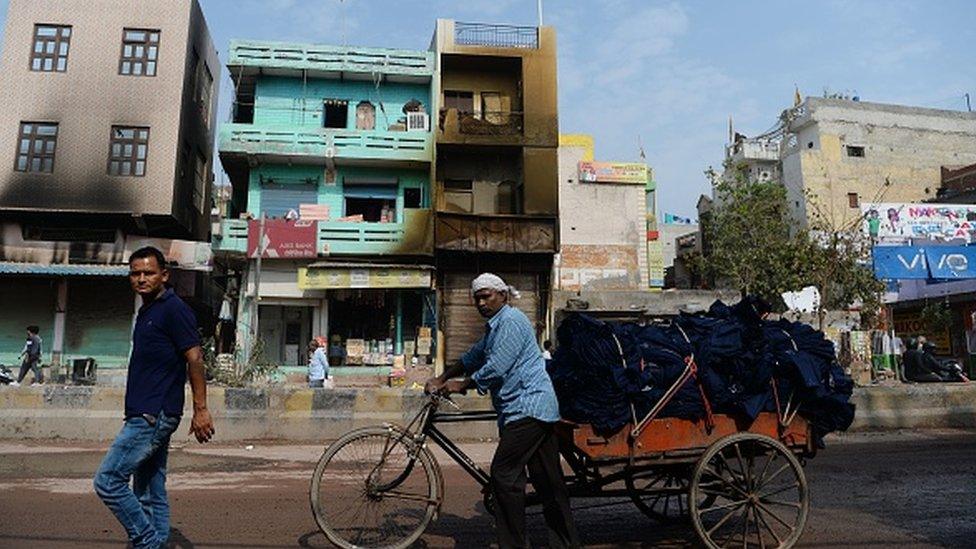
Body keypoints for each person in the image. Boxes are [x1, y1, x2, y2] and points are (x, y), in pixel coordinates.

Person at [425, 273, 580, 549]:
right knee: (549, 484)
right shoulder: (494, 327)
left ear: (503, 296)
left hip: (528, 406)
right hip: (529, 408)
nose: (482, 302)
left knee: (504, 475)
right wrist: (442, 377)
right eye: (478, 298)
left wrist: (461, 385)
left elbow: (497, 366)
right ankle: (567, 543)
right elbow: (472, 357)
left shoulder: (510, 321)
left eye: (487, 296)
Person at [93, 246, 215, 549]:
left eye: (148, 272)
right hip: (148, 411)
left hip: (152, 414)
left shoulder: (174, 309)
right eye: (135, 273)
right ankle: (156, 542)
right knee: (150, 488)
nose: (141, 279)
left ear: (164, 275)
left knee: (108, 482)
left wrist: (201, 409)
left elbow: (195, 358)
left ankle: (146, 541)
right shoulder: (149, 309)